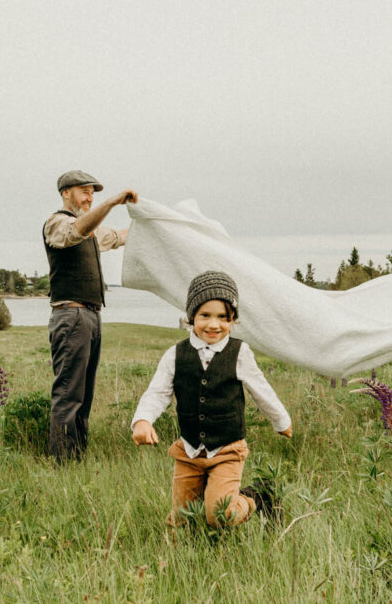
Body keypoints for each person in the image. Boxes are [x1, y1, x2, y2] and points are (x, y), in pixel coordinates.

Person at [130, 271, 292, 527]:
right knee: (183, 520)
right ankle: (189, 550)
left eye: (223, 317)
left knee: (220, 514)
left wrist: (281, 420)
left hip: (227, 450)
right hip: (189, 451)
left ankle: (256, 498)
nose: (214, 325)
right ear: (191, 315)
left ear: (233, 320)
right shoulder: (175, 354)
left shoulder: (240, 353)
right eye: (205, 315)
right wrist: (142, 420)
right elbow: (157, 392)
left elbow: (261, 389)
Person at [44, 170, 138, 462]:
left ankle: (77, 458)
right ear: (65, 193)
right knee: (68, 394)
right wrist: (110, 203)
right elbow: (77, 231)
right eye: (84, 191)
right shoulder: (56, 223)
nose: (89, 197)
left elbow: (121, 236)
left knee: (84, 395)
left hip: (91, 317)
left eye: (93, 193)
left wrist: (154, 220)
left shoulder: (92, 231)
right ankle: (62, 463)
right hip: (71, 316)